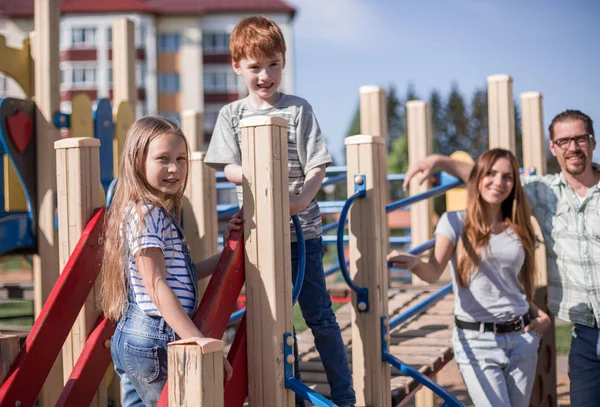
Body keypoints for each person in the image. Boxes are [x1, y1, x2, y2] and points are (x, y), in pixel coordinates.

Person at [204, 15, 356, 407]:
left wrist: (301, 200)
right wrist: (255, 175)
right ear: (237, 67)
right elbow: (228, 166)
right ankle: (291, 396)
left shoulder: (297, 110)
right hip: (260, 234)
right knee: (270, 320)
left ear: (283, 62)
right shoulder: (232, 116)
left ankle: (343, 395)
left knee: (318, 314)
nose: (265, 75)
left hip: (300, 231)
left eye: (272, 65)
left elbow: (318, 163)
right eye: (254, 67)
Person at [403, 110, 600, 406]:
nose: (573, 147)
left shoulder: (517, 223)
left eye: (580, 139)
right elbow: (488, 181)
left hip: (522, 337)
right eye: (564, 141)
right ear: (553, 147)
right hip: (583, 332)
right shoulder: (541, 192)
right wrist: (439, 161)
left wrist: (532, 311)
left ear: (593, 141)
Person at [388, 148, 551, 406]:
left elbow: (511, 286)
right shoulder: (454, 222)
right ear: (477, 178)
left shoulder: (517, 226)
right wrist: (414, 263)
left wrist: (539, 315)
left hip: (522, 340)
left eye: (507, 177)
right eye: (491, 174)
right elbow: (432, 273)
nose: (498, 182)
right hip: (477, 342)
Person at [101, 116, 237, 406]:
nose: (174, 168)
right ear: (138, 161)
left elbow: (183, 275)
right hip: (153, 339)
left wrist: (228, 255)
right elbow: (157, 286)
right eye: (163, 159)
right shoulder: (148, 214)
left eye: (181, 158)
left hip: (135, 339)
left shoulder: (148, 211)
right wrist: (198, 341)